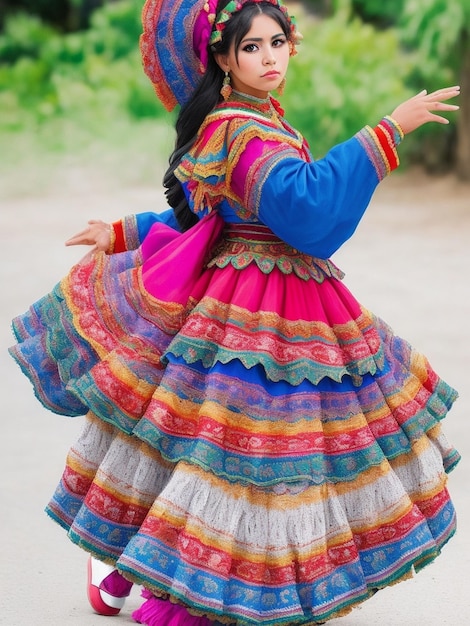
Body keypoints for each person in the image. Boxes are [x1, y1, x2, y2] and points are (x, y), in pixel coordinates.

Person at [9, 0, 461, 624]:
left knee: (252, 447)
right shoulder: (240, 128)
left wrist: (127, 228)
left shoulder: (258, 122)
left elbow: (210, 214)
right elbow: (301, 207)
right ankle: (172, 575)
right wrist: (387, 130)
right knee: (235, 447)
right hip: (249, 303)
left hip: (294, 296)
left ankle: (164, 567)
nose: (269, 56)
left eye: (277, 42)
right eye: (252, 47)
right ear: (223, 59)